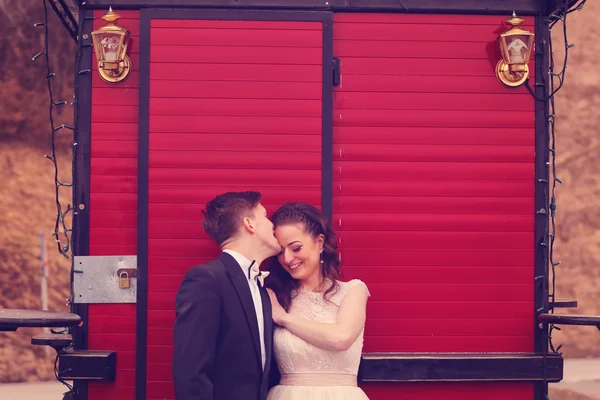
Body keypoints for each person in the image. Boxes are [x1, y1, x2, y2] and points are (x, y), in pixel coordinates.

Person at [172, 191, 282, 400]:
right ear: (250, 224)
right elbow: (190, 372)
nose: (272, 226)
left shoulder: (262, 287)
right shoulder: (206, 279)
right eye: (266, 217)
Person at [264, 202, 370, 400]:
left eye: (295, 248)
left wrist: (283, 318)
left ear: (320, 243)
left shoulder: (353, 291)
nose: (287, 258)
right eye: (280, 251)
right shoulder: (273, 296)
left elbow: (341, 338)